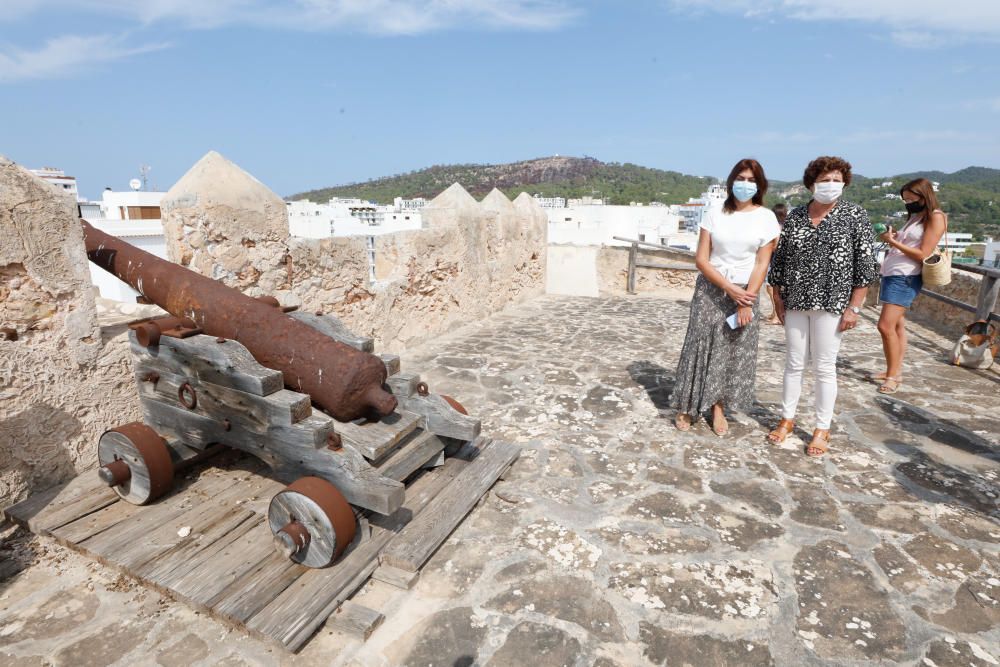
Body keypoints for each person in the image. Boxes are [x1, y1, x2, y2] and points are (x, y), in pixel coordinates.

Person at [767, 156, 878, 457]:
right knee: (793, 363)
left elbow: (865, 266)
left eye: (836, 179)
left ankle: (821, 428)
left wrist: (854, 307)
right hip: (795, 300)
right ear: (812, 183)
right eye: (825, 180)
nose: (831, 185)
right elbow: (780, 260)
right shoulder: (796, 216)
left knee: (825, 367)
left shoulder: (855, 215)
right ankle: (787, 419)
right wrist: (776, 298)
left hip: (832, 302)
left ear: (844, 182)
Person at [670, 158, 781, 436]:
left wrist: (745, 298)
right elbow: (702, 259)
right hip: (711, 288)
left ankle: (718, 407)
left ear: (760, 185)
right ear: (732, 181)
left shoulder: (766, 218)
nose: (746, 184)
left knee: (731, 349)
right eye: (741, 178)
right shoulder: (715, 212)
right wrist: (728, 288)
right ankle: (687, 405)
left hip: (747, 290)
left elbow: (761, 263)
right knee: (699, 344)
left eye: (752, 180)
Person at [873, 178, 947, 393]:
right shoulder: (916, 217)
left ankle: (894, 376)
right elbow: (911, 244)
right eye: (905, 200)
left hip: (906, 276)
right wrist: (897, 236)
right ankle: (892, 370)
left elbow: (923, 253)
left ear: (924, 196)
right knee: (897, 326)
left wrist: (892, 241)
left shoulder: (936, 217)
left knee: (885, 326)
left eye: (911, 199)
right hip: (893, 273)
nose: (908, 203)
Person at [765, 203, 788, 325]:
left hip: (774, 261)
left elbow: (775, 246)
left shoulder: (776, 227)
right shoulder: (787, 225)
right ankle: (775, 313)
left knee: (771, 288)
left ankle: (777, 315)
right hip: (781, 262)